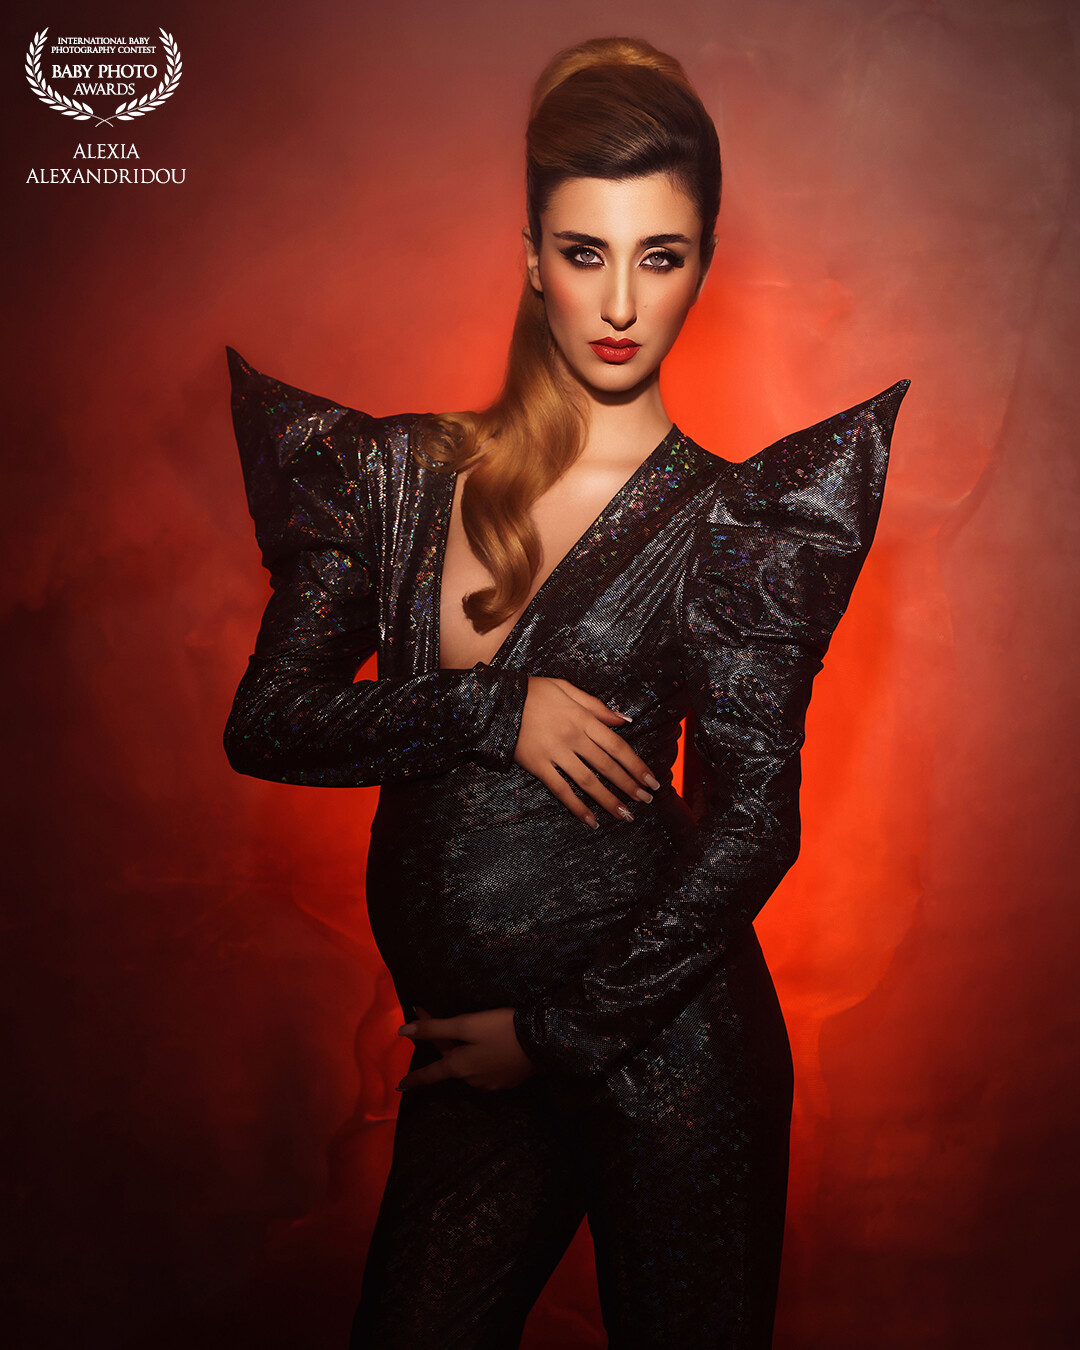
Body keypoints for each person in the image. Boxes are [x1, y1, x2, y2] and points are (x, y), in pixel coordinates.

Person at [223, 34, 908, 1350]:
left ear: (704, 264)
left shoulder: (734, 524)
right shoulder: (394, 477)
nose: (621, 303)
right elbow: (268, 720)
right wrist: (493, 706)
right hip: (476, 1065)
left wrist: (553, 1033)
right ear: (532, 252)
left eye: (663, 257)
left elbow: (753, 826)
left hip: (672, 1052)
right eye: (586, 251)